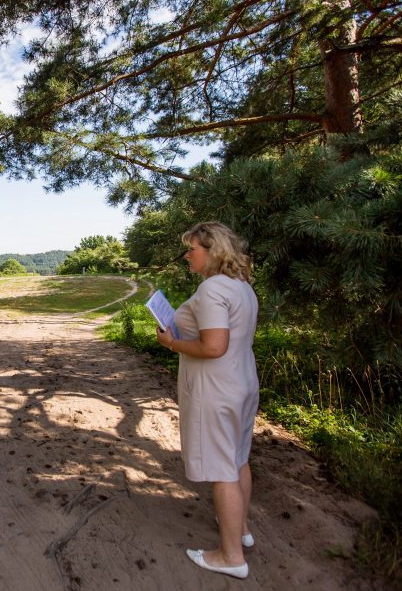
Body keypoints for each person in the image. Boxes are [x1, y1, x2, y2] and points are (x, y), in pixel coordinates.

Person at [155, 222, 258, 580]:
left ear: (213, 251)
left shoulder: (213, 289)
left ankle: (230, 556)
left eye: (192, 248)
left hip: (218, 389)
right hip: (242, 382)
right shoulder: (241, 286)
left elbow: (214, 347)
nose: (187, 254)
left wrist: (170, 342)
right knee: (238, 458)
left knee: (221, 468)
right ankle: (240, 530)